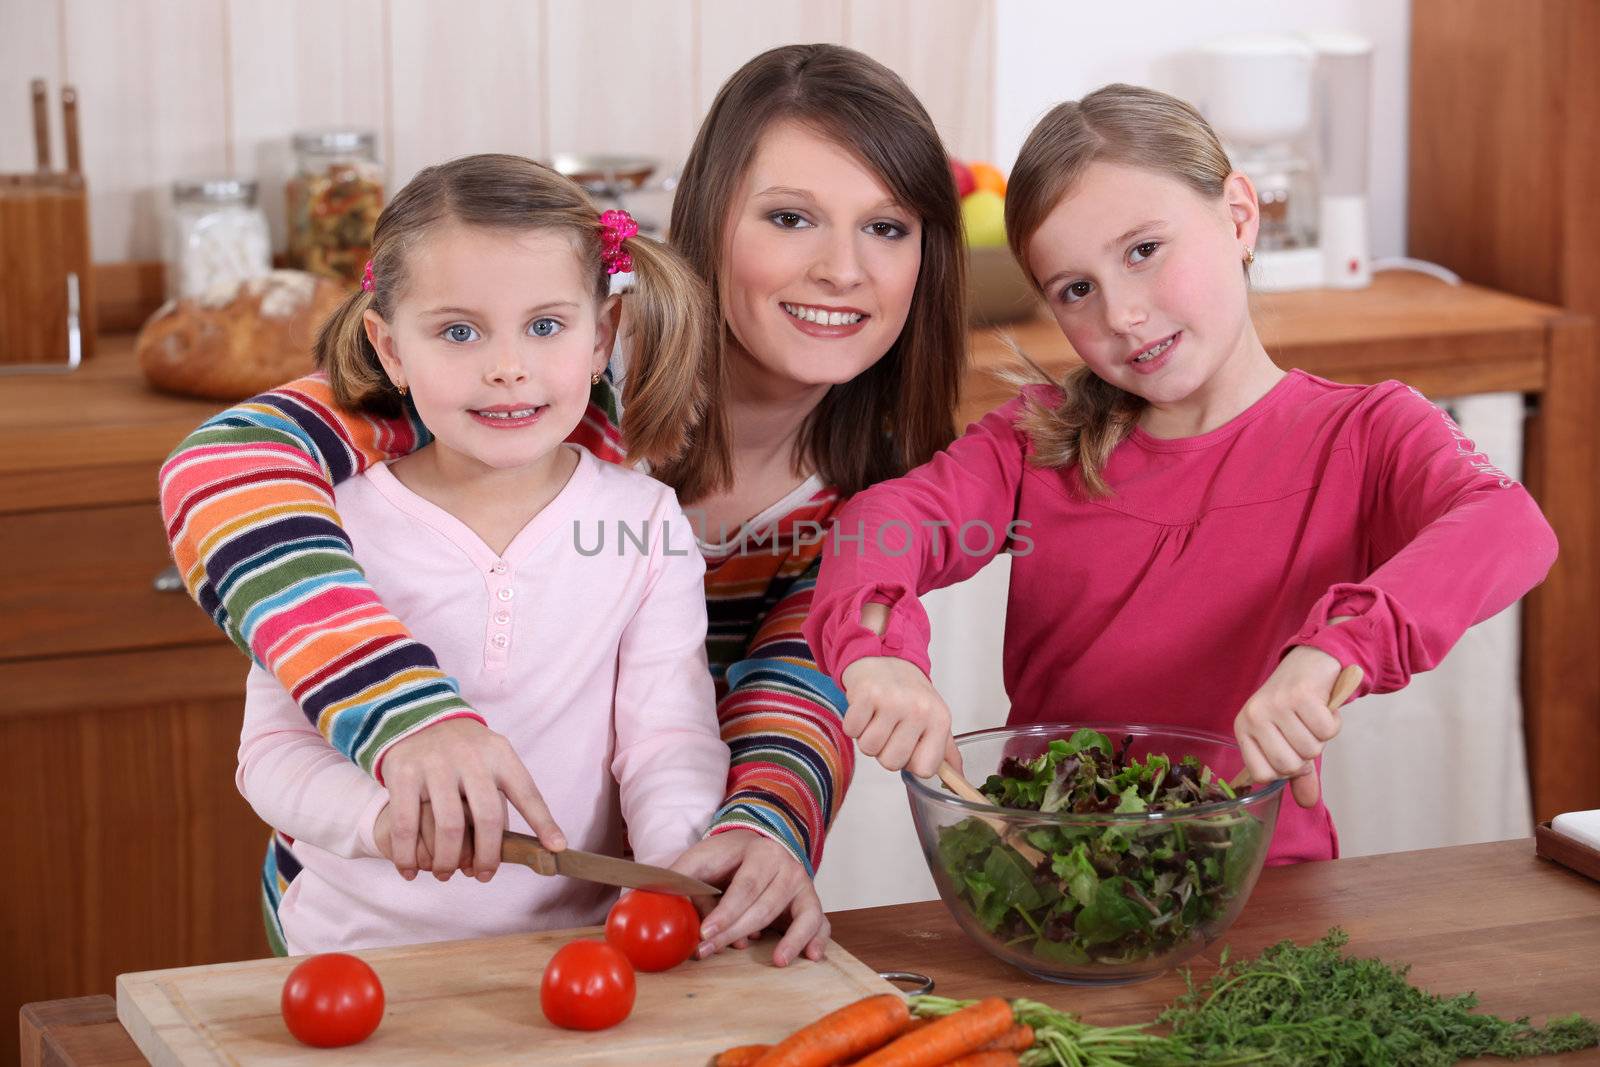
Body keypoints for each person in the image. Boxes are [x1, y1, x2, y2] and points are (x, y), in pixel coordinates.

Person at [159, 44, 967, 964]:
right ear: (708, 220)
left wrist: (757, 829)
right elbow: (224, 470)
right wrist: (405, 714)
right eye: (791, 217)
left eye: (888, 228)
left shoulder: (884, 485)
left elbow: (789, 682)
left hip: (601, 925)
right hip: (358, 928)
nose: (842, 269)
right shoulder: (536, 386)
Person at [803, 84, 1558, 865]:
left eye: (1144, 250)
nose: (1122, 314)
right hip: (1047, 877)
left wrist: (1339, 648)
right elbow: (885, 521)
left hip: (1263, 881)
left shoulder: (1364, 433)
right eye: (1077, 290)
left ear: (1238, 214)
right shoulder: (1036, 442)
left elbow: (1508, 525)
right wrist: (879, 646)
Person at [231, 153, 728, 954]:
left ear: (601, 337)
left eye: (546, 325)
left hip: (583, 949)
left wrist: (678, 867)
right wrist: (383, 818)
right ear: (390, 349)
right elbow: (272, 755)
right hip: (356, 951)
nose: (507, 366)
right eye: (458, 331)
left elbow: (667, 739)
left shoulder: (646, 520)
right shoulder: (332, 525)